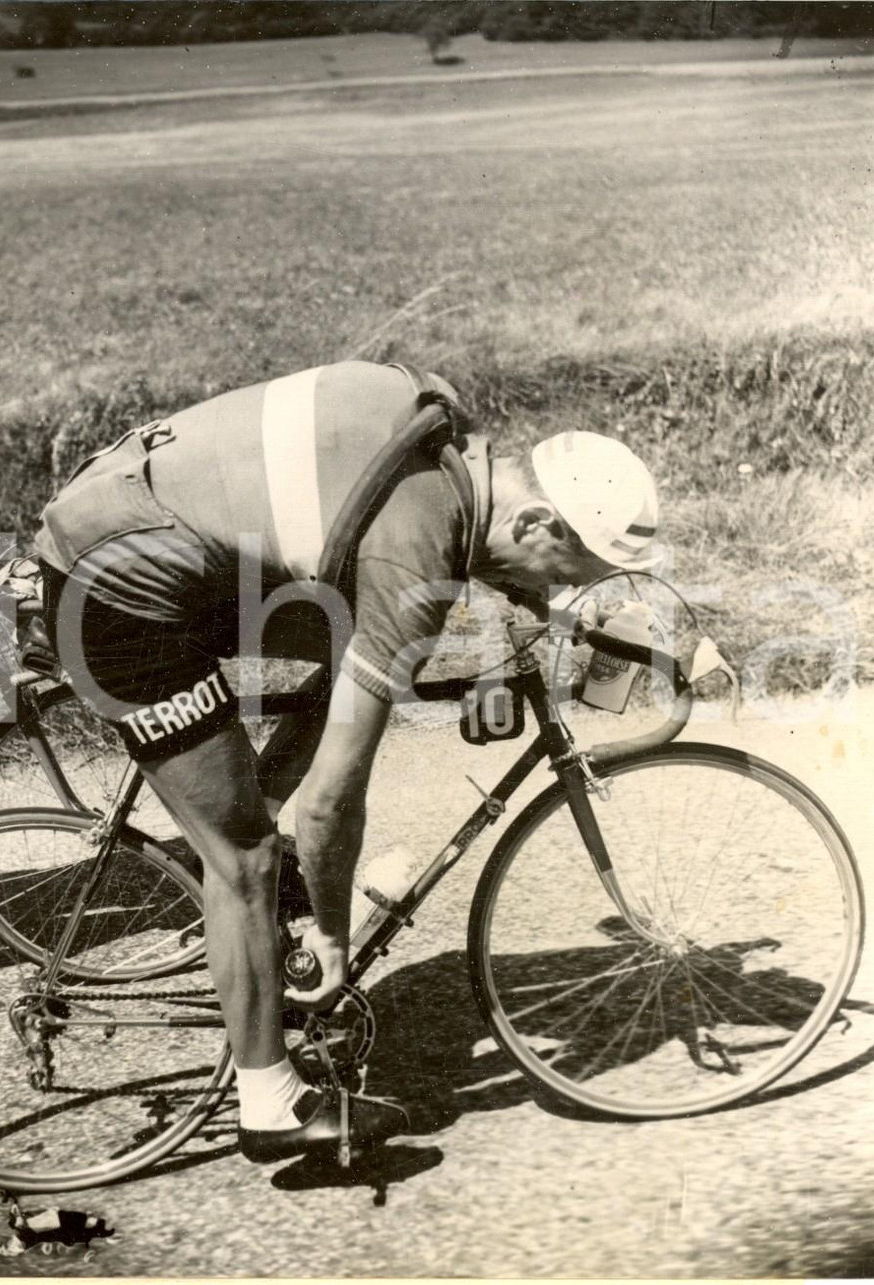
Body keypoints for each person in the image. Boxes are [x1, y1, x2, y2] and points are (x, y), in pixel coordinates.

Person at [33, 359, 660, 1163]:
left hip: (136, 510)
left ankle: (244, 871)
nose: (563, 593)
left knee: (352, 651)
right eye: (569, 573)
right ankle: (269, 1102)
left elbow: (463, 558)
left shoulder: (440, 430)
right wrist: (332, 933)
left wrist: (509, 628)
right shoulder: (414, 555)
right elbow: (332, 803)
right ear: (537, 521)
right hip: (112, 590)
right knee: (248, 860)